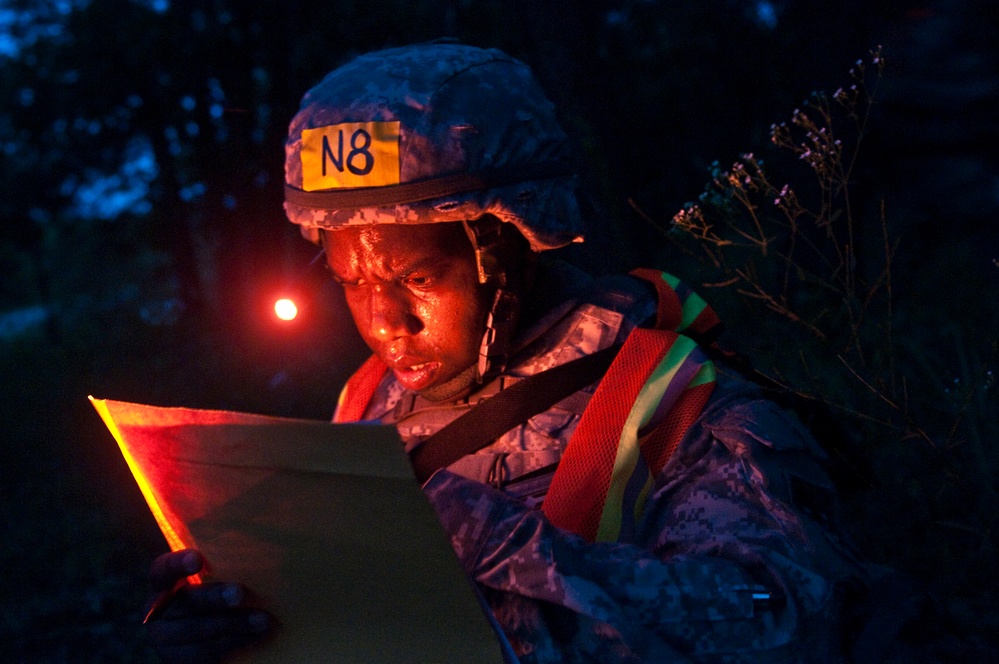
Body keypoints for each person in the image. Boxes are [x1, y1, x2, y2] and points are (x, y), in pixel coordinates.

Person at [145, 41, 871, 663]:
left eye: (417, 278)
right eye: (349, 280)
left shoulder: (675, 402)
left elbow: (788, 621)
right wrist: (240, 626)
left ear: (508, 244)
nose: (384, 322)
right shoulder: (367, 399)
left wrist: (496, 546)